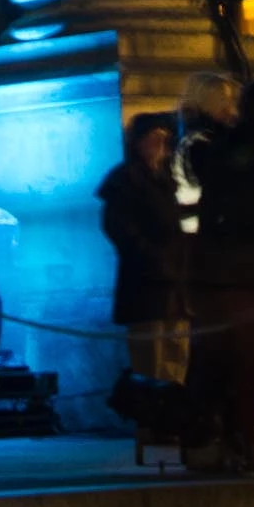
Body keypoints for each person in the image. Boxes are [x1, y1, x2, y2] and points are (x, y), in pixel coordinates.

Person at [177, 73, 254, 473]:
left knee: (248, 363)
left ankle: (252, 441)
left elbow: (210, 214)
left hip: (239, 273)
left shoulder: (224, 151)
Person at [98, 112, 187, 389]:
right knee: (151, 359)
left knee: (175, 354)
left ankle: (174, 416)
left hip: (173, 283)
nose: (160, 146)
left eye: (164, 140)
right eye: (154, 139)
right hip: (145, 284)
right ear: (138, 143)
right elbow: (120, 229)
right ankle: (153, 422)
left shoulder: (167, 178)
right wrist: (151, 255)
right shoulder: (124, 181)